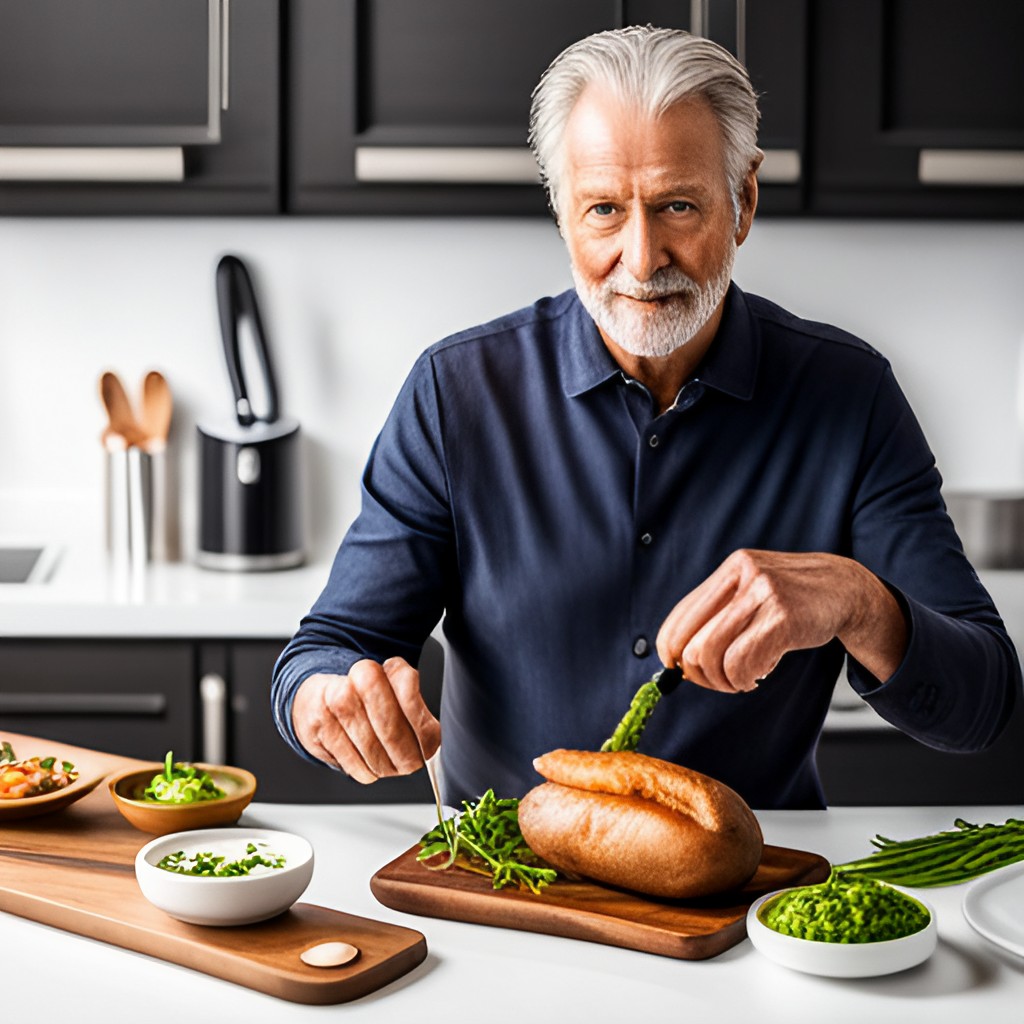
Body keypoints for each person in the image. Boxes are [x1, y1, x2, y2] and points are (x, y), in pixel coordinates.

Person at [272, 26, 1021, 809]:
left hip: (756, 895)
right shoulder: (452, 393)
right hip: (511, 883)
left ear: (744, 201)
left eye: (677, 205)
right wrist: (326, 702)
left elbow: (983, 703)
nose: (642, 256)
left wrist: (859, 600)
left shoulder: (850, 395)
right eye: (603, 209)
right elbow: (327, 650)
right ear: (562, 212)